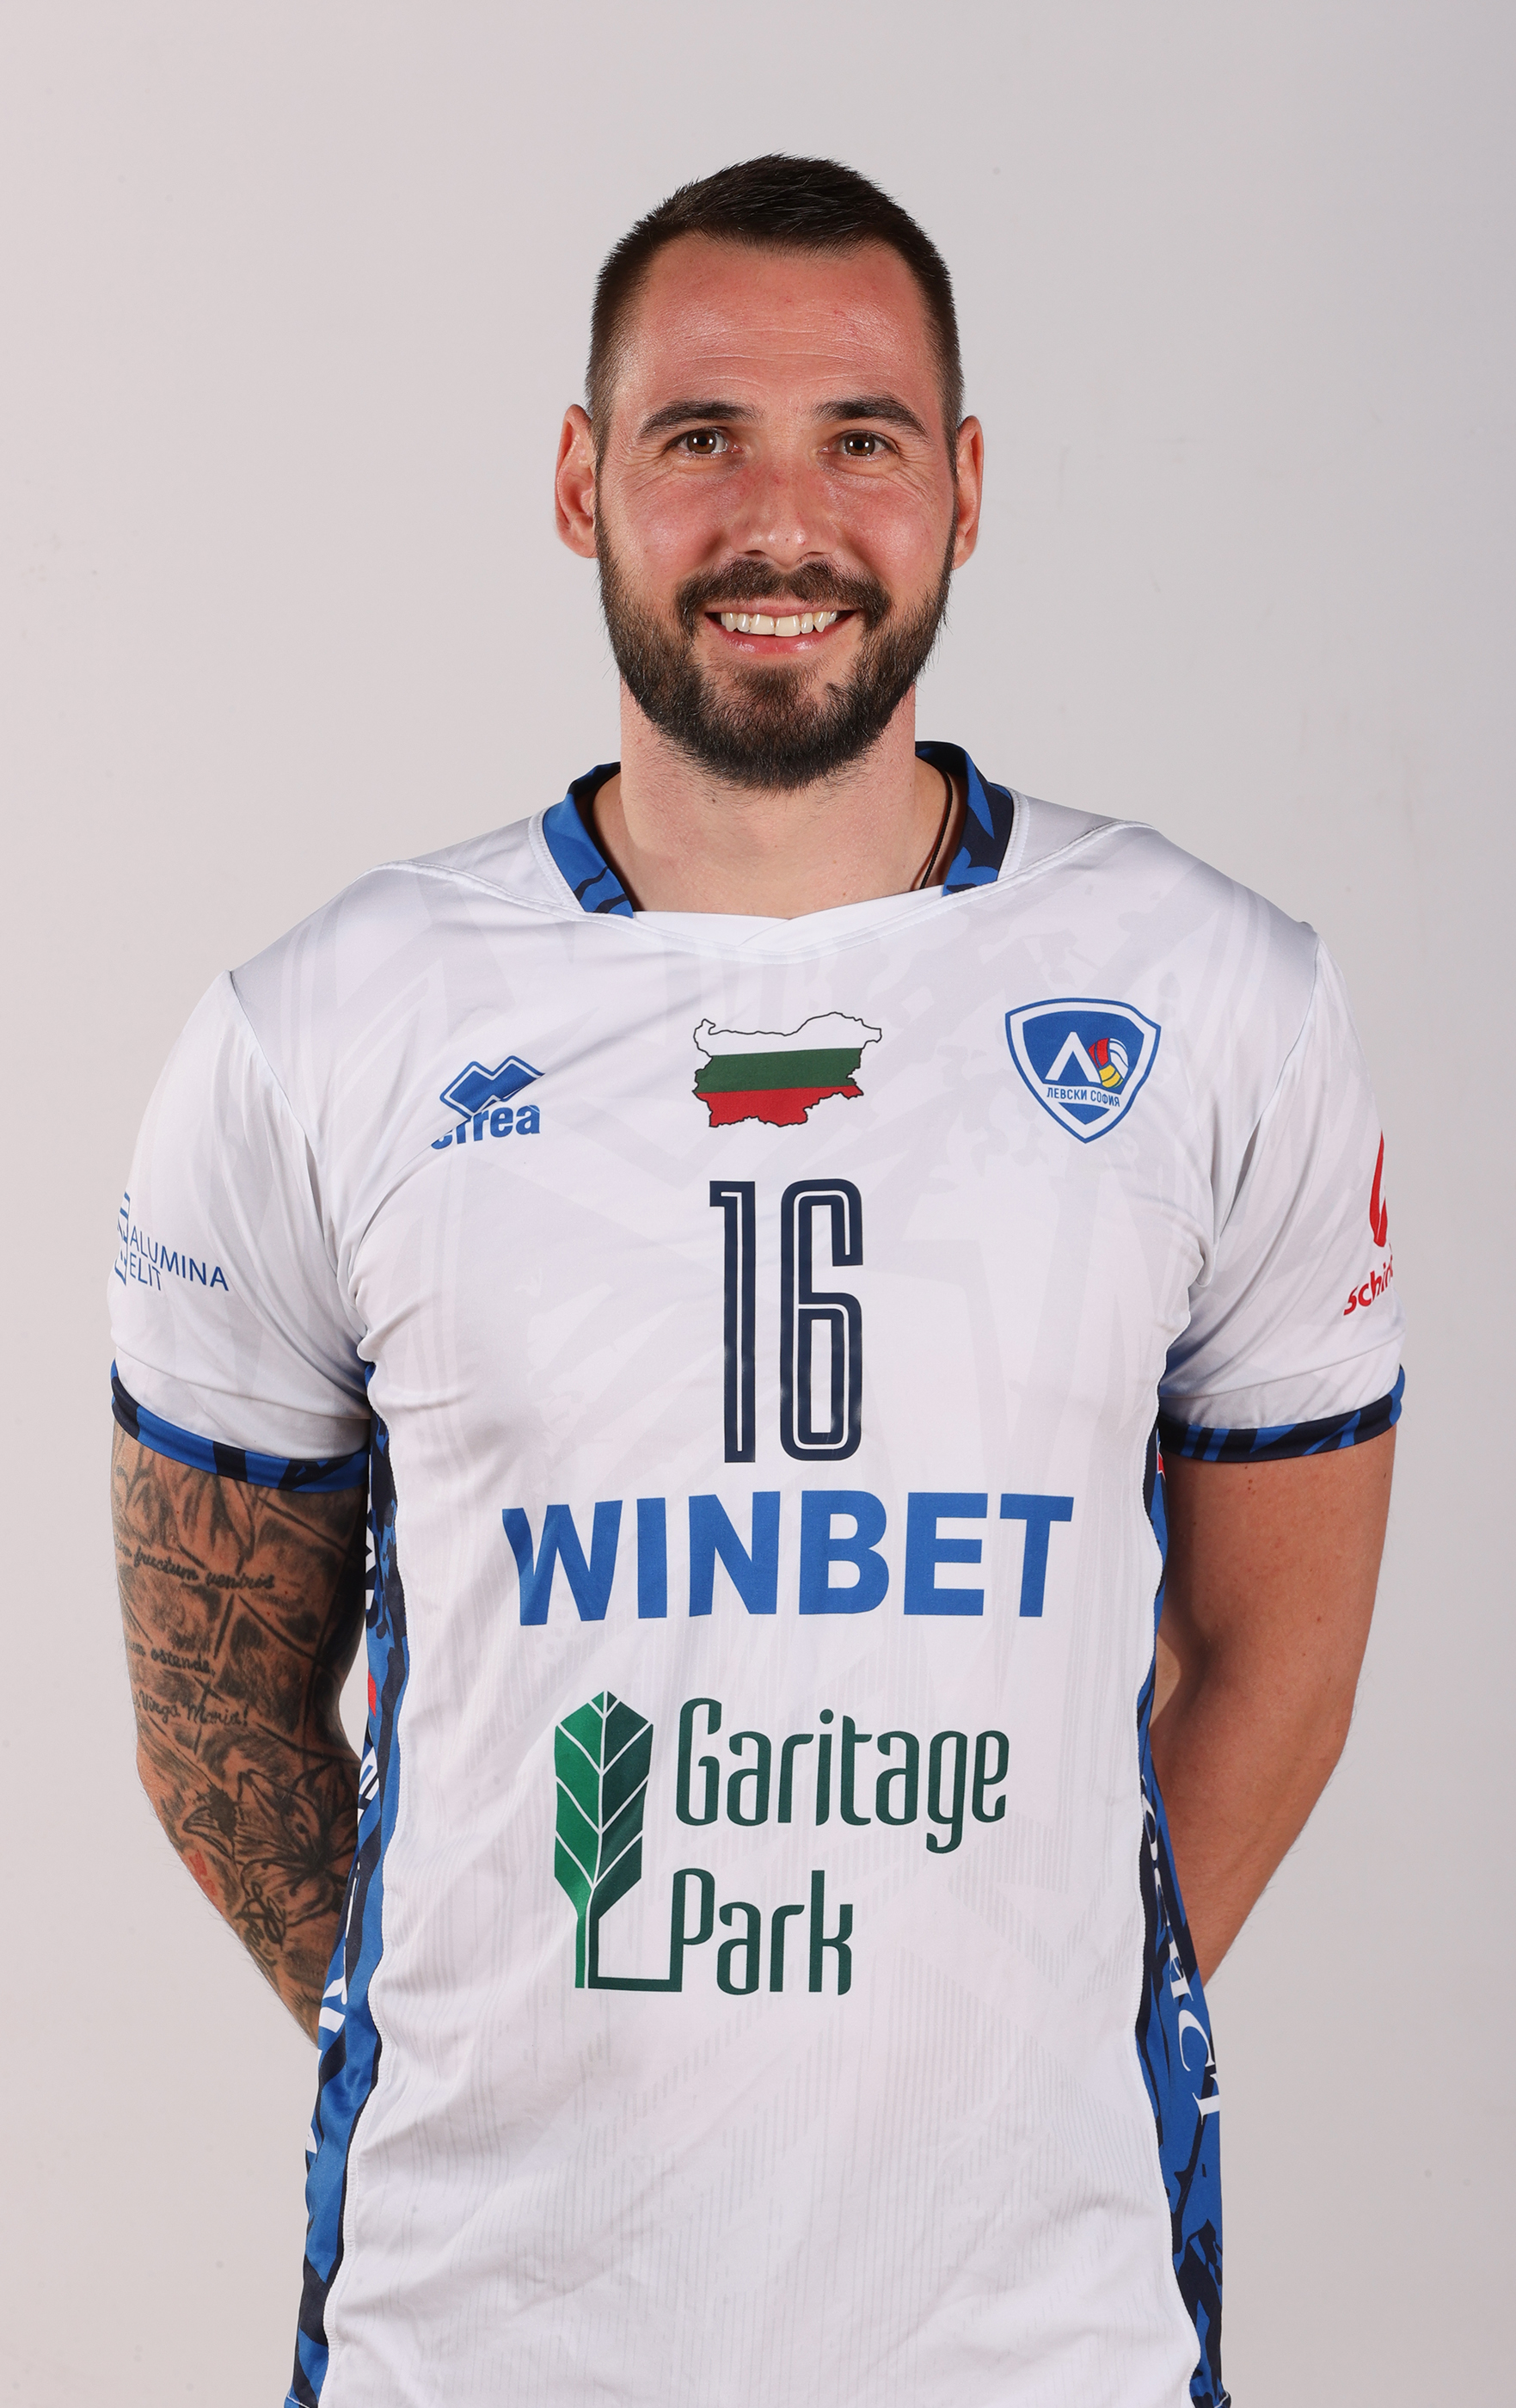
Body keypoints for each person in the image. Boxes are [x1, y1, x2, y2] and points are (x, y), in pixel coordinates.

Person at [109, 155, 1402, 2408]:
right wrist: (506, 2056)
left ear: (966, 489)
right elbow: (214, 1719)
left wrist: (999, 2053)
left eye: (860, 440)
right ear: (581, 482)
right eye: (702, 437)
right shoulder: (320, 1036)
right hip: (476, 2347)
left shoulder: (1221, 1007)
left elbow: (1274, 1658)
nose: (781, 523)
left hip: (1045, 2350)